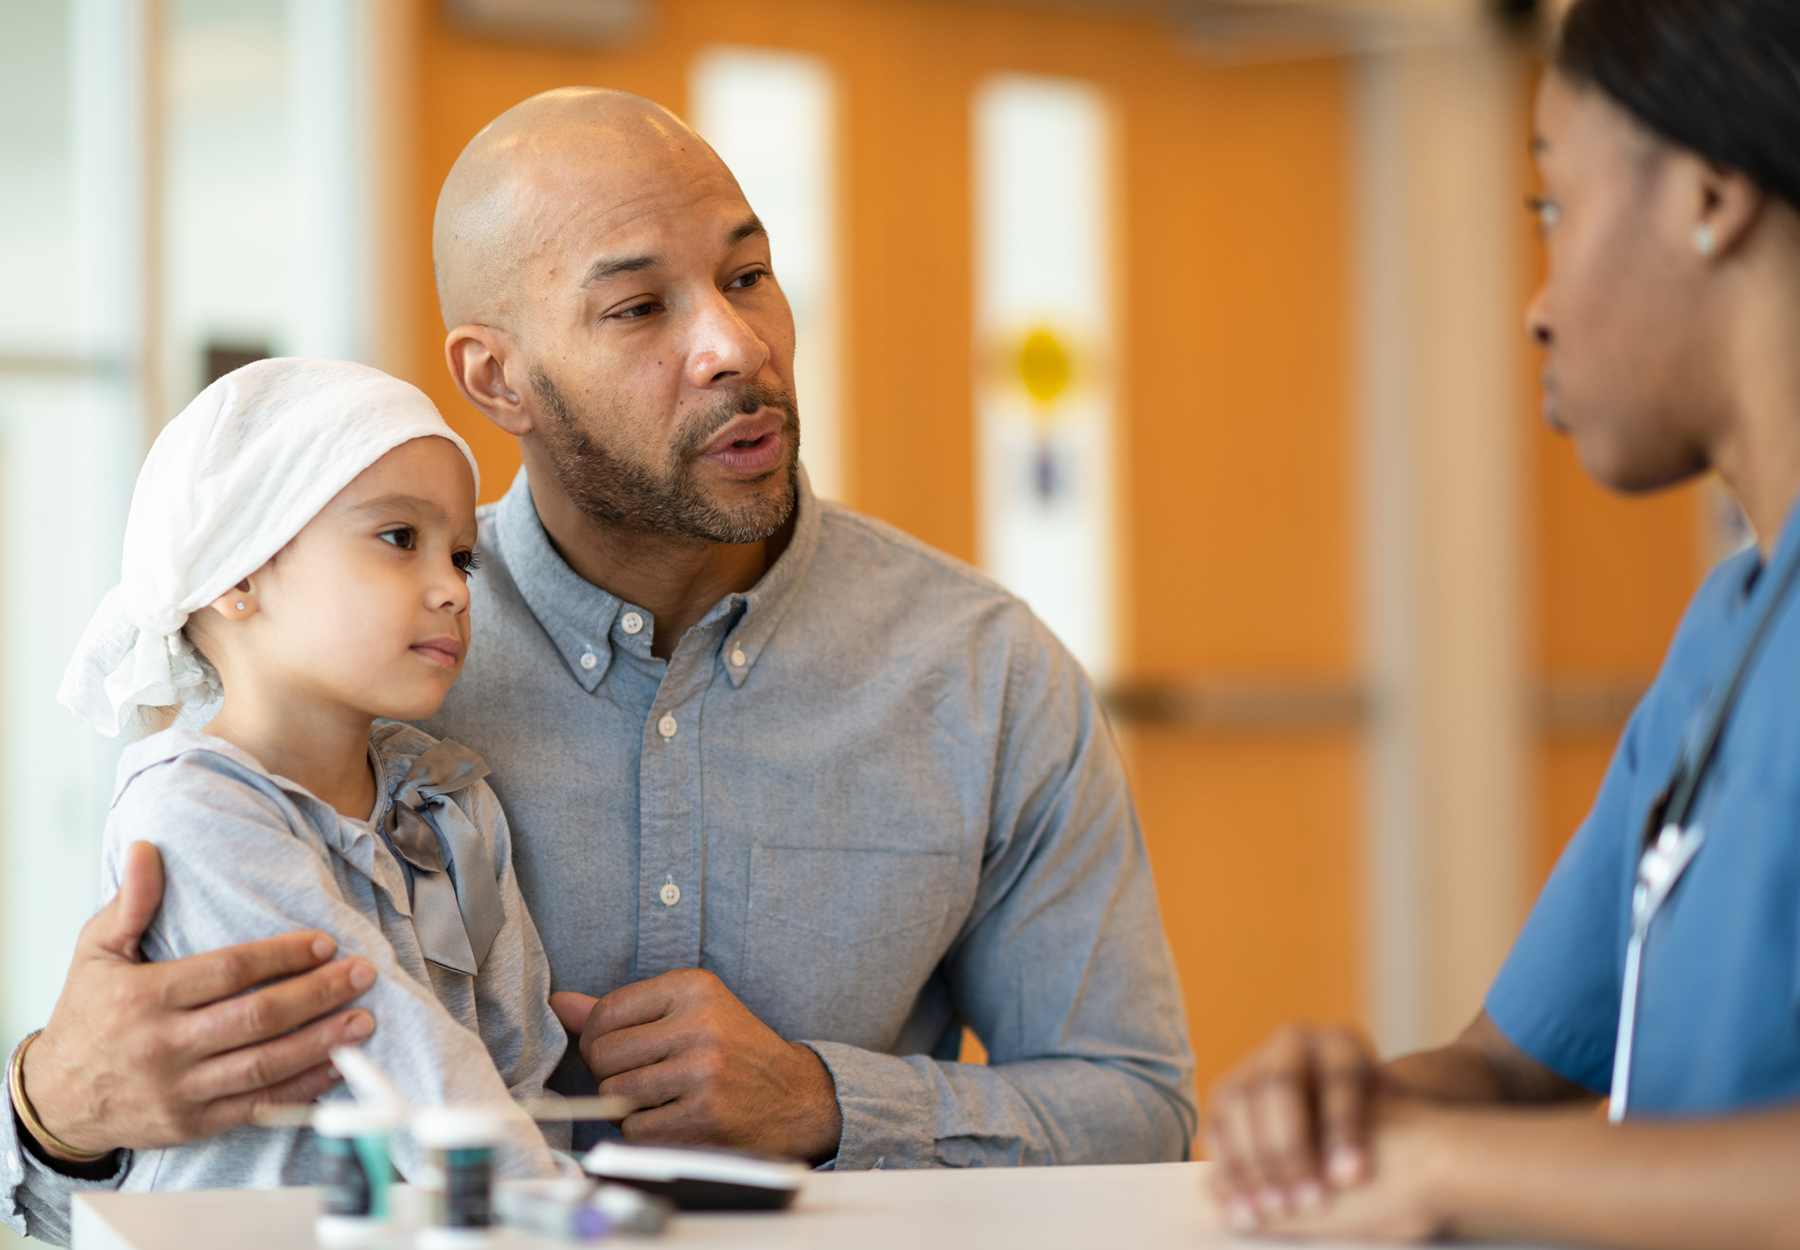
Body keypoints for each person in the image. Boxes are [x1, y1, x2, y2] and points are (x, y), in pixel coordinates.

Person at [3, 88, 1196, 1238]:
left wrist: (829, 1102)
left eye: (747, 276)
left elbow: (1142, 1115)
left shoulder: (990, 673)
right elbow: (107, 1176)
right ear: (495, 378)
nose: (736, 344)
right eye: (639, 309)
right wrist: (55, 1115)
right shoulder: (325, 676)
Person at [1202, 1, 1800, 1245]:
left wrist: (1444, 1167)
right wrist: (1355, 1108)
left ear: (1707, 196)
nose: (1535, 305)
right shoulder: (1731, 629)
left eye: (1553, 209)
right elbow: (1513, 1066)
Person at [6, 358, 566, 1242]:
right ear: (237, 574)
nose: (454, 586)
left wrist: (547, 1191)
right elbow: (372, 1018)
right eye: (398, 538)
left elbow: (517, 1058)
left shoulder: (453, 806)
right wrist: (548, 1207)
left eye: (461, 554)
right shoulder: (191, 807)